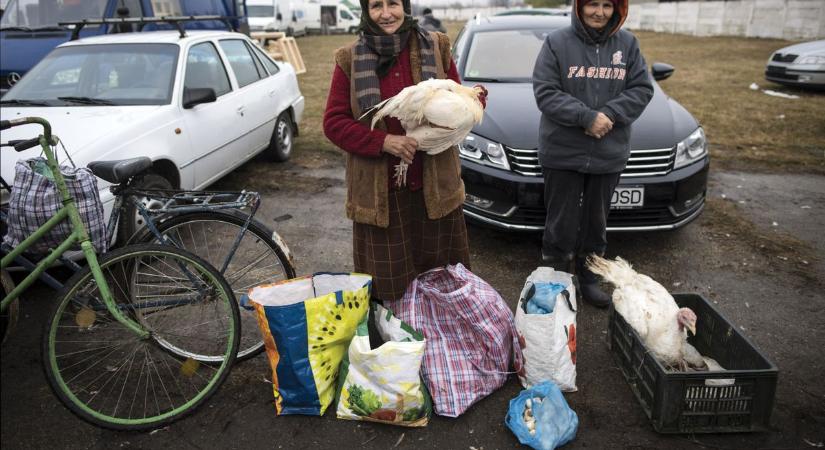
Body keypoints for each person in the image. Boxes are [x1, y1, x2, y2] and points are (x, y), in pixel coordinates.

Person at [323, 0, 486, 303]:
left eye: (393, 3)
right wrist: (383, 142)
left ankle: (441, 345)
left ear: (406, 6)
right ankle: (398, 344)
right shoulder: (349, 58)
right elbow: (333, 123)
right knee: (391, 290)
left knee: (443, 285)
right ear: (366, 11)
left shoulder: (436, 47)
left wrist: (462, 113)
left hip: (434, 190)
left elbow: (459, 101)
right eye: (376, 6)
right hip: (382, 194)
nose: (386, 13)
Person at [532, 0, 653, 307]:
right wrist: (586, 117)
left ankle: (588, 278)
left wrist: (608, 114)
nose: (599, 12)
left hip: (607, 153)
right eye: (592, 4)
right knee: (560, 221)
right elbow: (546, 91)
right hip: (563, 151)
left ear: (618, 9)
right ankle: (558, 279)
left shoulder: (627, 44)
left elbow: (641, 88)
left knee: (596, 222)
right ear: (579, 6)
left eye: (607, 5)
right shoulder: (557, 43)